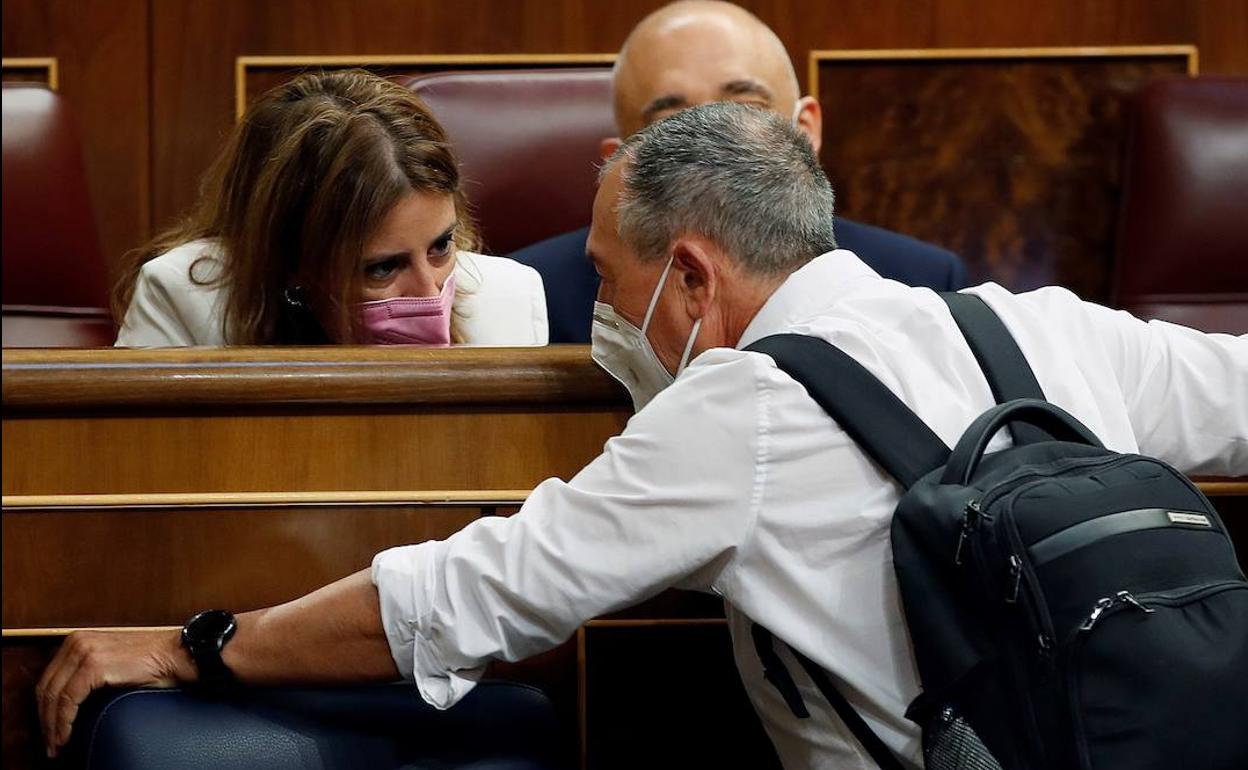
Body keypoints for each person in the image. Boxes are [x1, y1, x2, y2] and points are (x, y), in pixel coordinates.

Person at [37, 103, 1245, 767]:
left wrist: (201, 645)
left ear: (689, 276)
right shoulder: (1043, 327)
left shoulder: (745, 408)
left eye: (610, 282)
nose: (603, 312)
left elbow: (462, 597)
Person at [510, 0, 967, 343]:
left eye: (745, 110)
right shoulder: (535, 296)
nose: (716, 150)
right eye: (675, 127)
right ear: (622, 165)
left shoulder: (917, 282)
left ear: (805, 131)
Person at [114, 70, 547, 348]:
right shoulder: (185, 301)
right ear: (291, 260)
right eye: (382, 268)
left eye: (441, 246)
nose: (430, 294)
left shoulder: (506, 305)